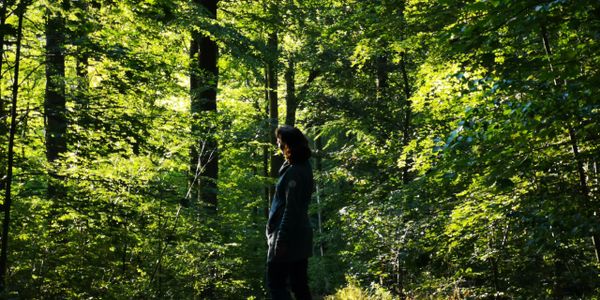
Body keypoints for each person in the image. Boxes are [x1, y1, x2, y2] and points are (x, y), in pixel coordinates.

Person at [266, 125, 314, 300]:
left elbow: (291, 210)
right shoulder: (303, 166)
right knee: (299, 284)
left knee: (276, 284)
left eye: (280, 141)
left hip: (288, 236)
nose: (277, 144)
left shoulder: (295, 172)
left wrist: (281, 240)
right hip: (300, 235)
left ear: (288, 144)